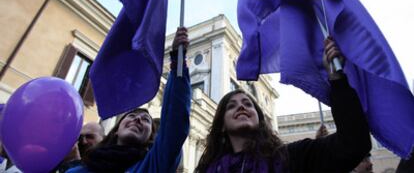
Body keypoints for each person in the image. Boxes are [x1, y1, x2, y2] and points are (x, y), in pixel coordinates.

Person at [196, 37, 371, 172]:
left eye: (248, 104)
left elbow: (354, 144)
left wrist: (337, 80)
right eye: (231, 106)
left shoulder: (292, 158)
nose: (242, 107)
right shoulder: (207, 170)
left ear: (261, 120)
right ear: (222, 126)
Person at [67, 27, 191, 172]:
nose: (137, 119)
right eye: (131, 116)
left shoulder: (152, 165)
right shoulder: (80, 170)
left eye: (146, 120)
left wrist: (178, 59)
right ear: (115, 131)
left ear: (149, 139)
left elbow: (175, 120)